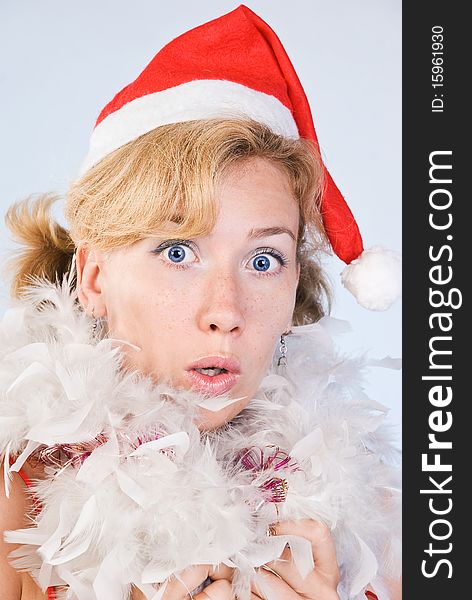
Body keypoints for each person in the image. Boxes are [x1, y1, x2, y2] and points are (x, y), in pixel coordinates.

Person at [0, 5, 401, 600]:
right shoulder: (16, 502)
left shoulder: (380, 516)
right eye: (178, 251)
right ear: (93, 276)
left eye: (263, 260)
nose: (226, 311)